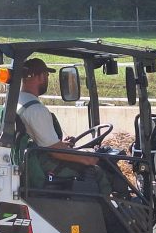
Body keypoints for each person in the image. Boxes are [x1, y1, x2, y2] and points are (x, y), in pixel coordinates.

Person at [18, 58, 111, 196]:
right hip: (42, 165)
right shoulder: (36, 110)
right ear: (41, 76)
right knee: (97, 171)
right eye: (47, 76)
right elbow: (56, 152)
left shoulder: (16, 103)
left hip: (30, 162)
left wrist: (62, 144)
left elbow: (44, 142)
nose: (47, 79)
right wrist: (86, 159)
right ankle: (108, 212)